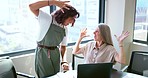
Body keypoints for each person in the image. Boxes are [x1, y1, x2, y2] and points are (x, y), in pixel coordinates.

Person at [29, 0, 79, 77]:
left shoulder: (64, 28)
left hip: (55, 54)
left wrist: (64, 61)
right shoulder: (48, 19)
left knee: (56, 76)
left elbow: (63, 47)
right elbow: (31, 7)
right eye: (71, 18)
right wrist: (54, 2)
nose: (72, 21)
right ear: (64, 15)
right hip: (43, 54)